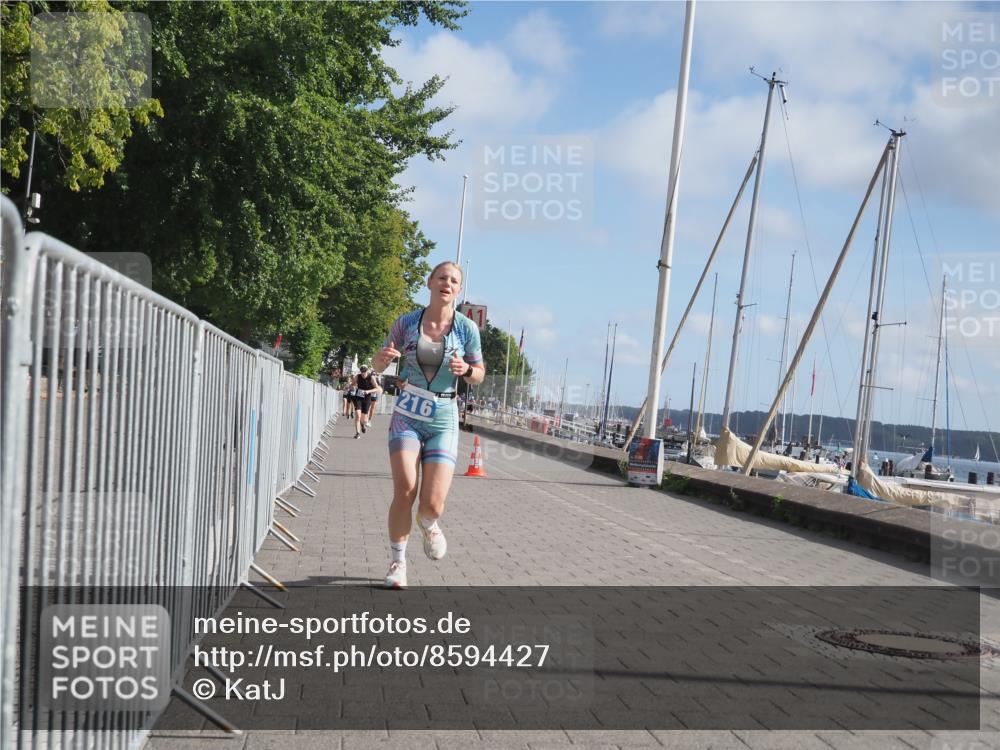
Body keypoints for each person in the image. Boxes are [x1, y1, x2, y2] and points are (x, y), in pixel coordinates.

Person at [373, 261, 485, 589]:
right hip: (408, 411)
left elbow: (479, 375)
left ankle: (428, 523)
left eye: (453, 281)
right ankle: (398, 562)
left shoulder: (466, 329)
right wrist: (379, 362)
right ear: (430, 282)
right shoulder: (406, 323)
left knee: (432, 502)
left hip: (444, 415)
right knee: (405, 488)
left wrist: (465, 369)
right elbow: (381, 361)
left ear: (458, 289)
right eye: (441, 278)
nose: (446, 284)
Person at [352, 365, 381, 438]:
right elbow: (352, 384)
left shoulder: (371, 378)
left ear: (367, 371)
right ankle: (357, 433)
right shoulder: (357, 376)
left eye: (364, 372)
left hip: (367, 398)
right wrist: (351, 387)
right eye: (362, 372)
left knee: (364, 419)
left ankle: (362, 425)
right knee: (358, 415)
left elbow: (377, 388)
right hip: (358, 397)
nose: (363, 374)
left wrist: (368, 391)